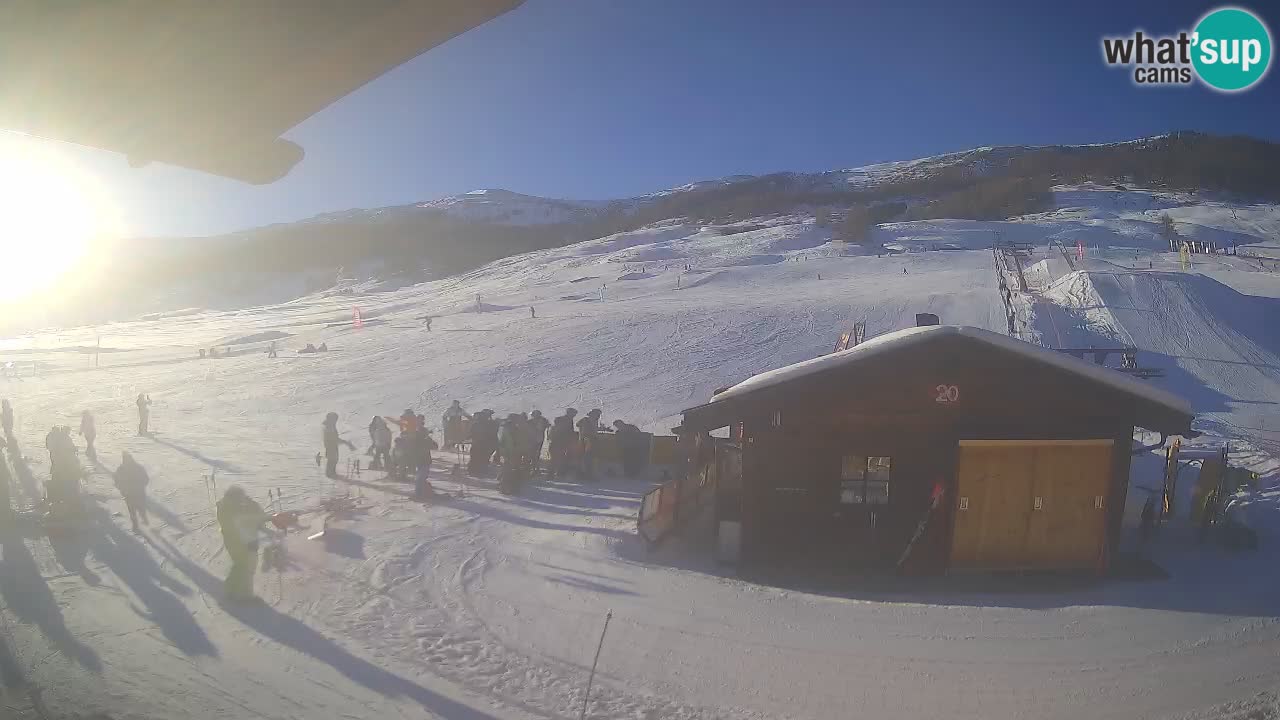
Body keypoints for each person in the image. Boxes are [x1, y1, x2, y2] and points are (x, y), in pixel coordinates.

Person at [216, 486, 267, 602]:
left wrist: (251, 505)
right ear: (231, 497)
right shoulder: (226, 509)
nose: (242, 499)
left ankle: (232, 591)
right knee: (244, 566)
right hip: (237, 542)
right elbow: (233, 526)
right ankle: (243, 596)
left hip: (246, 541)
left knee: (241, 565)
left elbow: (259, 517)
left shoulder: (241, 505)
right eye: (239, 497)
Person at [113, 452, 150, 532]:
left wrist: (122, 488)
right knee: (134, 510)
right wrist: (121, 488)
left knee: (137, 509)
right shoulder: (123, 469)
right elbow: (116, 481)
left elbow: (146, 479)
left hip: (134, 493)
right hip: (132, 494)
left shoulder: (124, 469)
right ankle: (136, 524)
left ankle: (141, 520)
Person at [321, 412, 356, 479]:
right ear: (331, 419)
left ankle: (331, 473)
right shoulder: (329, 427)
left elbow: (335, 438)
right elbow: (333, 438)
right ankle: (330, 474)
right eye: (335, 419)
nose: (336, 420)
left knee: (334, 459)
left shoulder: (330, 426)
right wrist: (345, 442)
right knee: (332, 459)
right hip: (331, 446)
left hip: (332, 446)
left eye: (336, 419)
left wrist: (345, 442)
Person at [497, 414, 525, 494]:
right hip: (507, 453)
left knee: (513, 470)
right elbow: (501, 442)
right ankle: (505, 488)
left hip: (514, 452)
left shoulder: (515, 428)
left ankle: (512, 487)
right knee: (507, 470)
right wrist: (503, 453)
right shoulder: (504, 428)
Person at [548, 409, 577, 479]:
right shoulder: (565, 420)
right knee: (557, 457)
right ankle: (554, 473)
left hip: (560, 442)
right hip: (559, 442)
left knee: (558, 457)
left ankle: (555, 473)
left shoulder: (568, 420)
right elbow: (567, 432)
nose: (574, 416)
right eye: (573, 414)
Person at [576, 409, 604, 482]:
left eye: (599, 415)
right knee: (587, 457)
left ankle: (587, 474)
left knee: (590, 458)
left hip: (590, 440)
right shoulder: (586, 420)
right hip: (587, 440)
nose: (598, 416)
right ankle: (586, 475)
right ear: (592, 414)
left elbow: (593, 430)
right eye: (597, 414)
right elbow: (578, 425)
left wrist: (600, 428)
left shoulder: (594, 421)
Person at [467, 410, 498, 474]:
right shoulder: (491, 424)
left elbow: (471, 434)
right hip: (485, 445)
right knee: (483, 458)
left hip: (478, 445)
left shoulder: (476, 424)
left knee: (475, 458)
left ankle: (473, 471)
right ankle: (481, 471)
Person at [414, 427, 438, 500]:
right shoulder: (421, 440)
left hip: (423, 461)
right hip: (422, 461)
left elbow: (435, 446)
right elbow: (435, 446)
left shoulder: (423, 440)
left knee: (420, 477)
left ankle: (420, 493)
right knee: (421, 477)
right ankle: (419, 493)